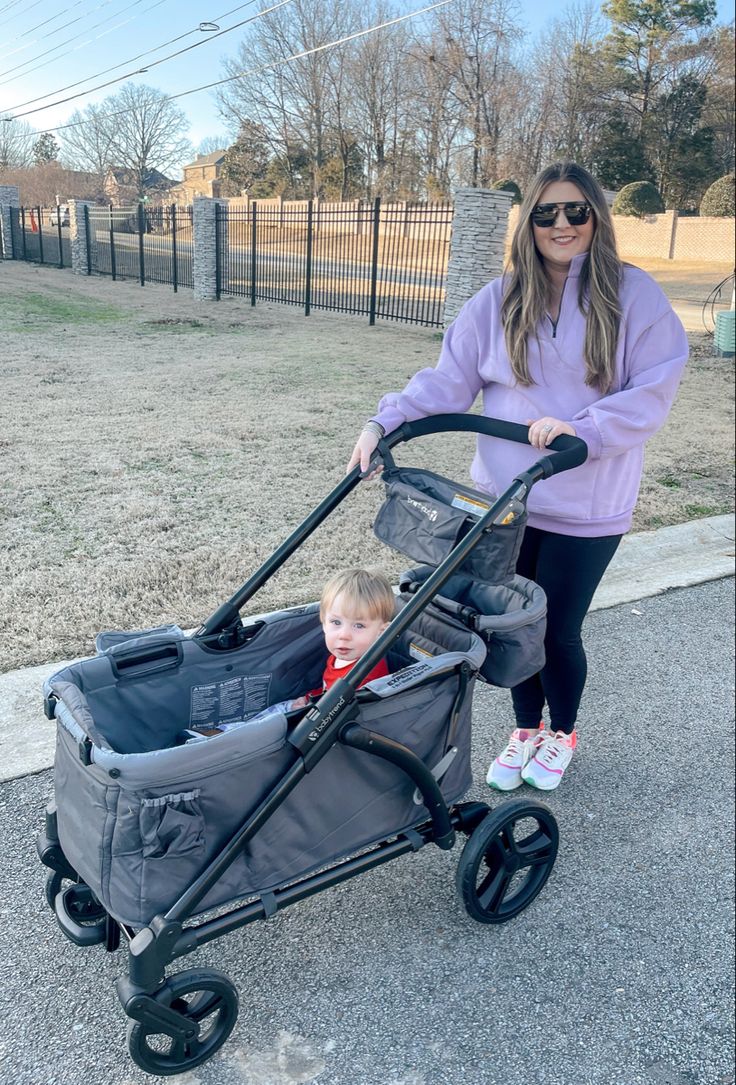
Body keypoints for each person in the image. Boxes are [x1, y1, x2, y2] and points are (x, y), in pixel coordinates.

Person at [347, 161, 688, 792]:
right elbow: (448, 379)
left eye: (576, 211)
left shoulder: (633, 295)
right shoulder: (501, 298)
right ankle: (526, 727)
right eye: (546, 213)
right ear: (528, 223)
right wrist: (385, 422)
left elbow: (653, 387)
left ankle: (562, 733)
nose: (562, 225)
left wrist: (584, 429)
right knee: (511, 625)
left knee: (557, 630)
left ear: (596, 218)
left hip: (587, 499)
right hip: (505, 503)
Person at [188, 568, 395, 738]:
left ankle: (224, 741)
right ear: (323, 622)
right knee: (274, 711)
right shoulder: (346, 653)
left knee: (272, 725)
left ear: (381, 632)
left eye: (358, 626)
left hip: (328, 725)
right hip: (316, 702)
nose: (344, 635)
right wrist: (311, 698)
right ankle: (223, 733)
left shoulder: (367, 672)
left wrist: (311, 707)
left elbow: (354, 712)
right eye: (336, 622)